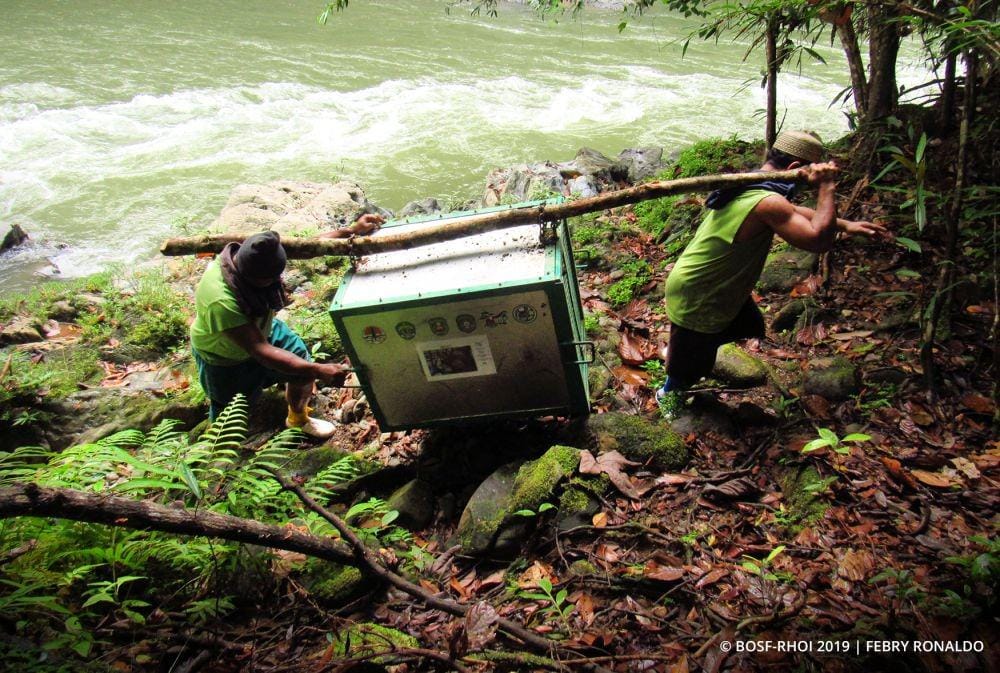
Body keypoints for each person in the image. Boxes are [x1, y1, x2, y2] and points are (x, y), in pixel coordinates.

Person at [656, 130, 887, 401]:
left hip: (711, 283)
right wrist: (827, 187)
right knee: (687, 363)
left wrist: (847, 225)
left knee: (746, 324)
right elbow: (818, 240)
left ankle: (693, 356)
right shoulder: (768, 201)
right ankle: (668, 395)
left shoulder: (754, 184)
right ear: (793, 169)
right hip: (702, 289)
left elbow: (798, 213)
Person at [190, 213, 384, 438]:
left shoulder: (256, 252)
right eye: (272, 280)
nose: (277, 281)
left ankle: (297, 418)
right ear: (252, 278)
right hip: (224, 355)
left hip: (264, 328)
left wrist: (351, 230)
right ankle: (219, 446)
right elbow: (260, 350)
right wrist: (320, 370)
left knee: (300, 366)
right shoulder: (221, 300)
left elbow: (306, 247)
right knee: (232, 407)